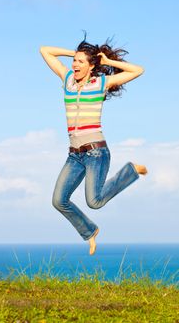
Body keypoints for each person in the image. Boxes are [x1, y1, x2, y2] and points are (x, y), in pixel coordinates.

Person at [40, 35, 147, 255]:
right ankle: (90, 231)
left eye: (80, 62)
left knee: (95, 202)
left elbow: (138, 70)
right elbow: (45, 50)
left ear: (91, 67)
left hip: (96, 152)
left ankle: (131, 171)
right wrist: (75, 53)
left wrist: (106, 63)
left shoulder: (101, 83)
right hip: (74, 155)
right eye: (74, 61)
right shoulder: (67, 79)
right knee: (59, 200)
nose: (75, 65)